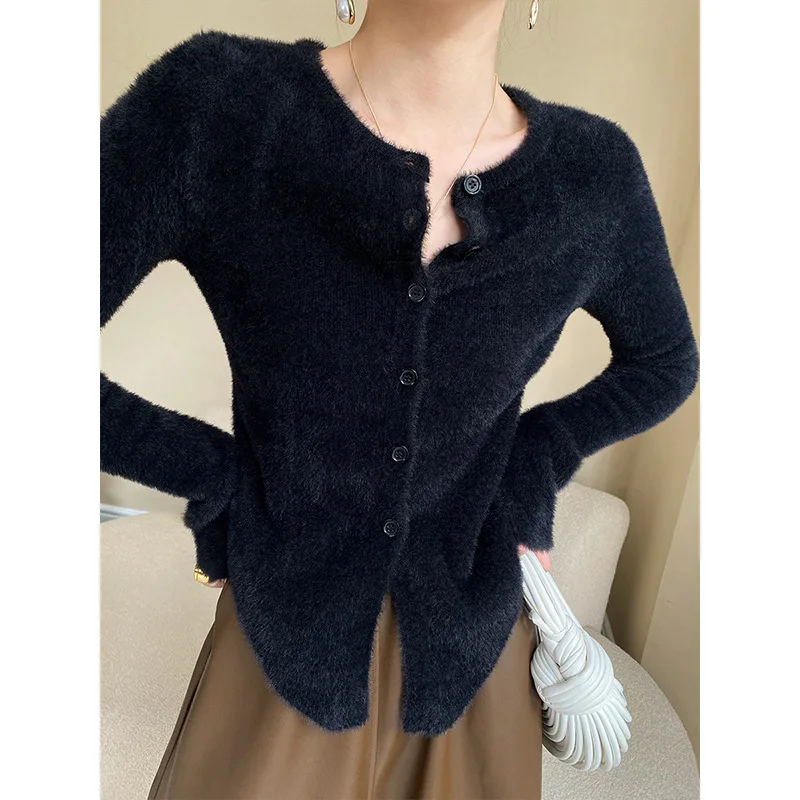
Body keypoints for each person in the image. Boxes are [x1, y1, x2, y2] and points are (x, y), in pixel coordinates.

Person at [101, 1, 699, 798]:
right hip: (282, 637)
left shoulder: (595, 177)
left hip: (474, 656)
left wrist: (533, 460)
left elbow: (664, 362)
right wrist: (217, 475)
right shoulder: (219, 107)